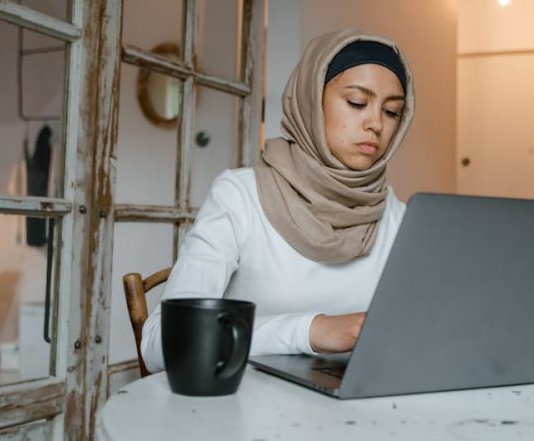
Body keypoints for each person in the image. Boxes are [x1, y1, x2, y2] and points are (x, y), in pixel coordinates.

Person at [141, 29, 415, 373]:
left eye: (392, 112)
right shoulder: (240, 198)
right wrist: (310, 331)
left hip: (358, 414)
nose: (375, 123)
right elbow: (161, 345)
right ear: (311, 100)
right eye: (357, 103)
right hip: (246, 416)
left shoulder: (397, 216)